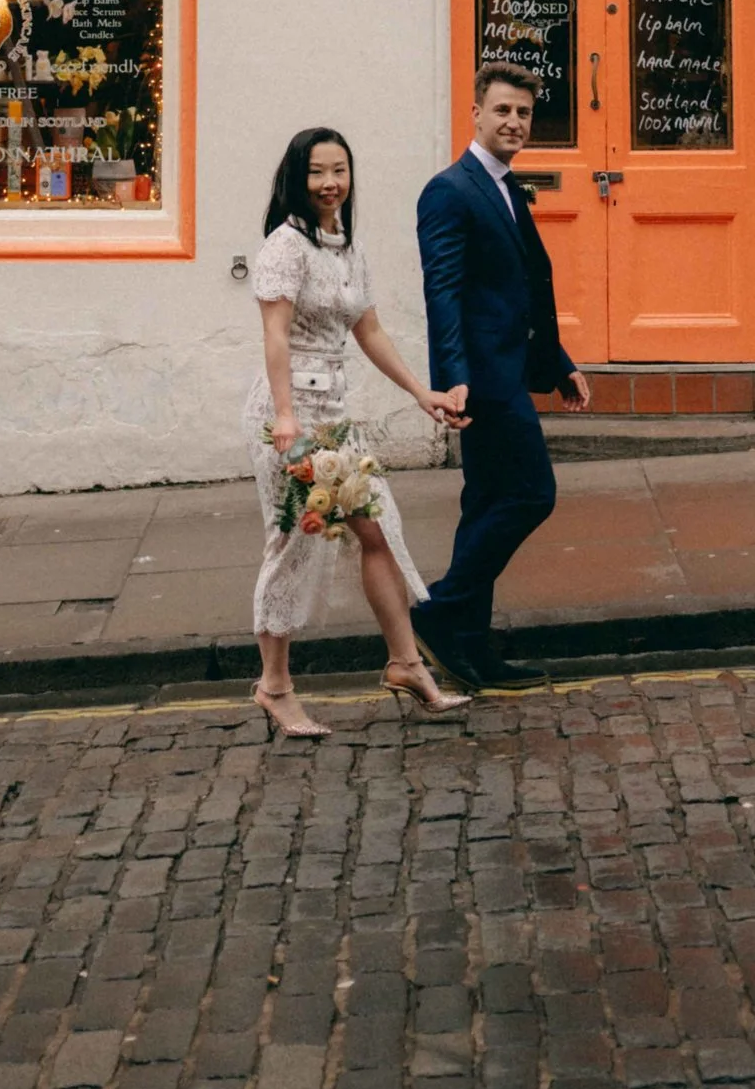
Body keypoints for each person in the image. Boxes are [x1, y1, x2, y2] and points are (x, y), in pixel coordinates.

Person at [249, 125, 469, 741]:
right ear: (299, 177)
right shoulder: (284, 247)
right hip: (289, 416)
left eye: (339, 170)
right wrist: (286, 419)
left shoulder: (348, 247)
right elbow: (275, 337)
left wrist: (420, 392)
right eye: (318, 172)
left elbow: (368, 331)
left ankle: (405, 664)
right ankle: (275, 687)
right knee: (293, 544)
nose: (330, 183)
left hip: (336, 415)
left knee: (378, 532)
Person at [413, 63, 590, 694]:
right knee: (530, 495)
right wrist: (453, 379)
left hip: (512, 369)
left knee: (487, 504)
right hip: (484, 384)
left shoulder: (507, 187)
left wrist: (558, 360)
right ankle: (437, 610)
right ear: (476, 115)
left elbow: (520, 291)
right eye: (503, 112)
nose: (514, 123)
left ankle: (470, 647)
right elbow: (445, 292)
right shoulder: (450, 190)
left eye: (523, 114)